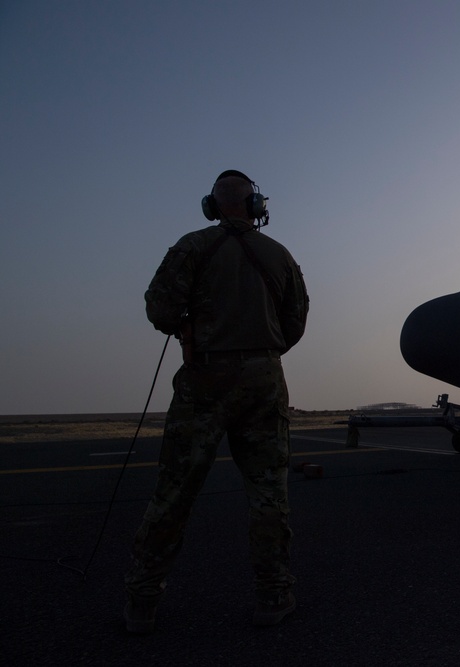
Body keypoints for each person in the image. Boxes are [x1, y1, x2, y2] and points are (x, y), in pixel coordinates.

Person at [124, 170, 309, 633]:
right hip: (264, 379)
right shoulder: (279, 255)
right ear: (255, 206)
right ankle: (274, 595)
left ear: (212, 205)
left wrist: (190, 331)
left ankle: (143, 601)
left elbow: (159, 307)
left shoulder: (192, 246)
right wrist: (260, 351)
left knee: (175, 491)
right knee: (269, 494)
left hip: (204, 376)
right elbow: (295, 322)